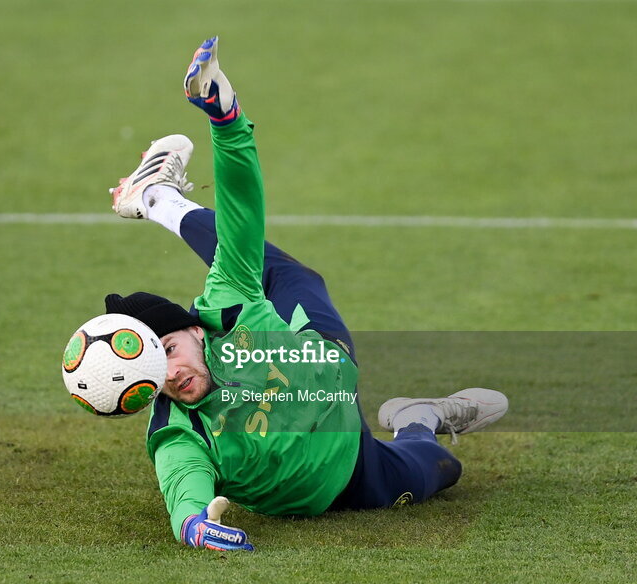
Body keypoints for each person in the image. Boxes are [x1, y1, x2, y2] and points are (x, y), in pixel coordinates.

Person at [102, 37, 508, 551]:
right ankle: (421, 415)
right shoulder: (177, 430)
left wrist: (226, 123)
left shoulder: (224, 308)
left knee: (270, 266)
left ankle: (157, 195)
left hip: (322, 358)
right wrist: (194, 526)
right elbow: (183, 488)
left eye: (169, 352)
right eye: (155, 375)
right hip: (348, 477)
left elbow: (242, 208)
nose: (171, 375)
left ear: (192, 329)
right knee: (443, 470)